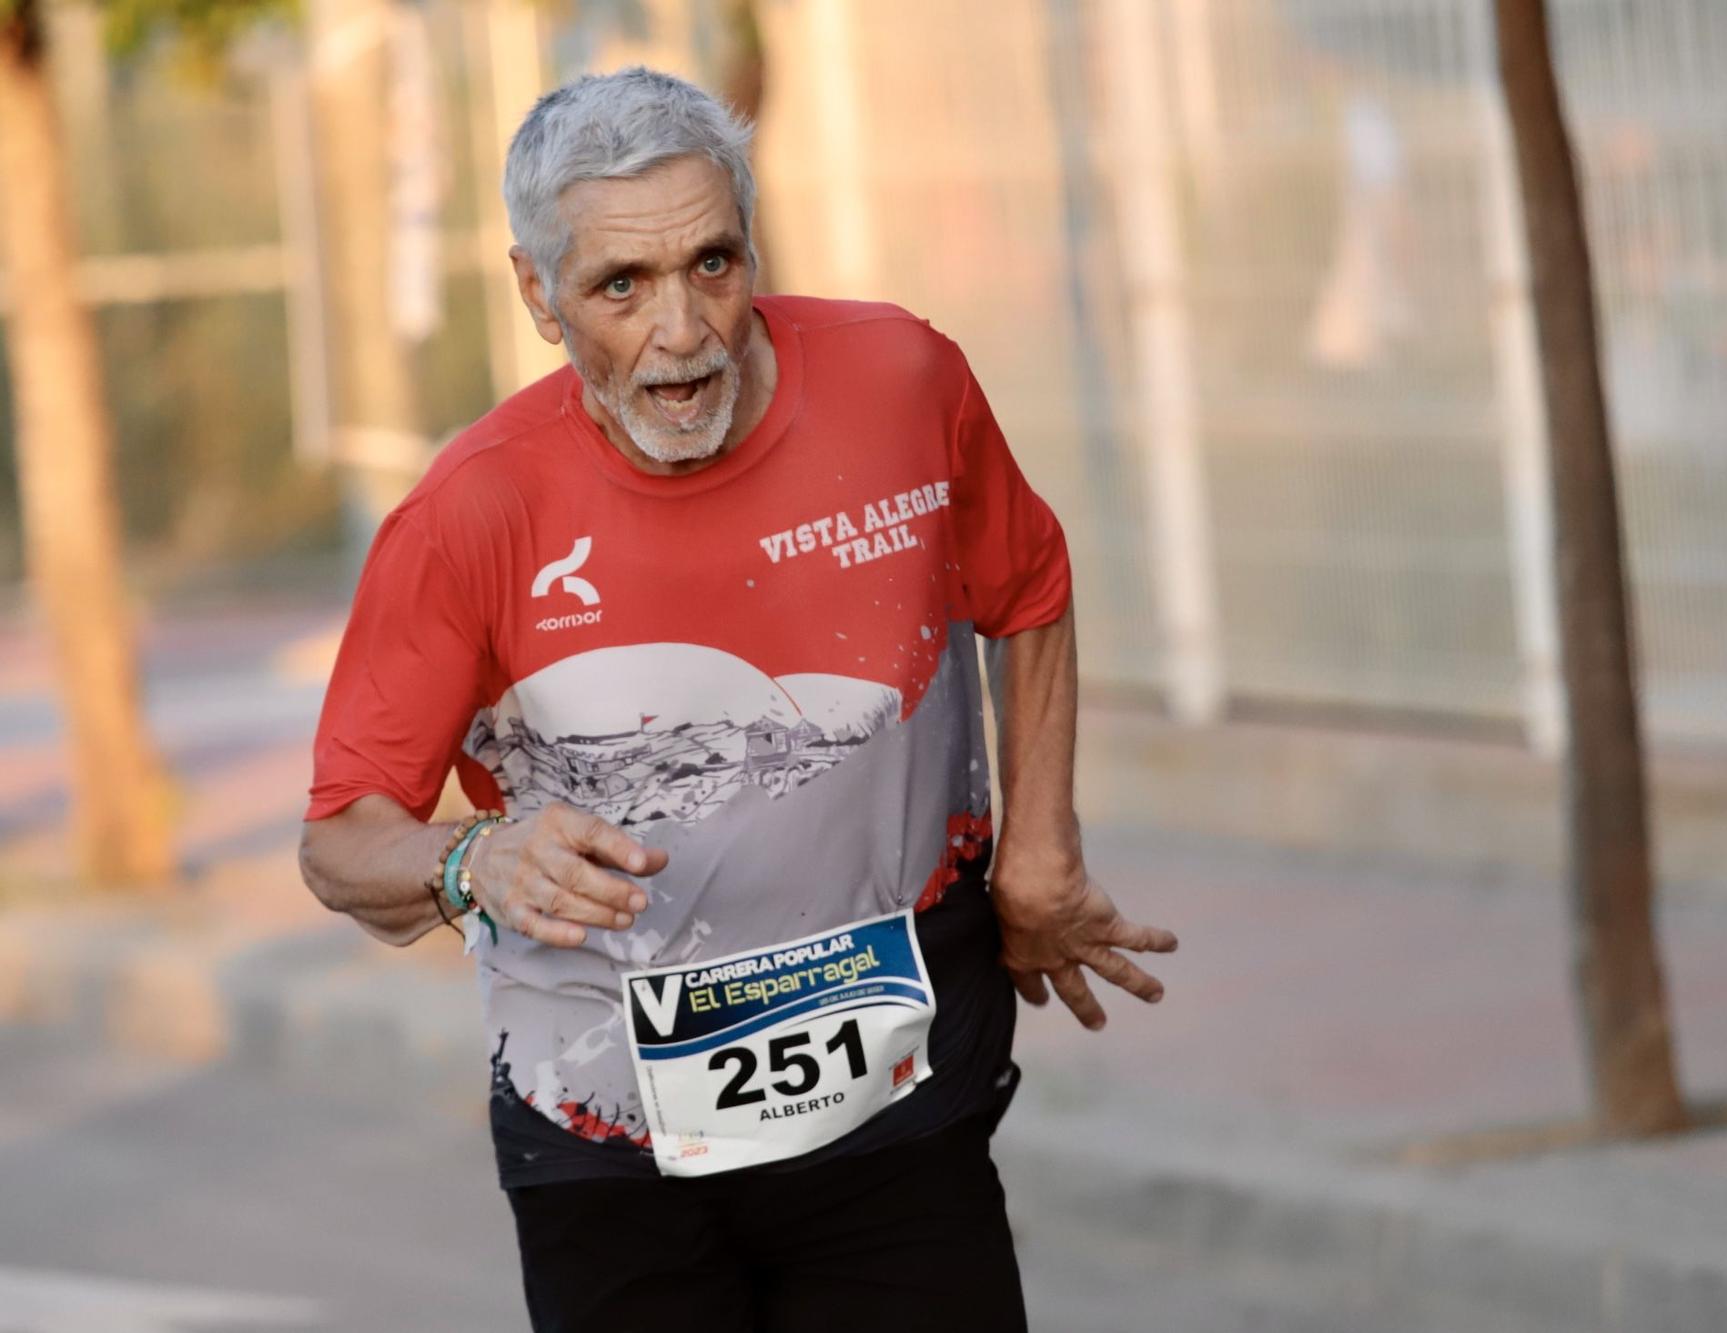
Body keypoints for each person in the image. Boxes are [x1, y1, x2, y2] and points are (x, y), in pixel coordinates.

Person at [295, 66, 1176, 1332]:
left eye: (713, 263)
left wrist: (1038, 852)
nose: (684, 329)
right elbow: (339, 839)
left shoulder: (902, 381)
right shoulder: (470, 514)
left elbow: (1026, 584)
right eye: (620, 286)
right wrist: (472, 859)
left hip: (899, 1102)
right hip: (608, 1137)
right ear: (537, 296)